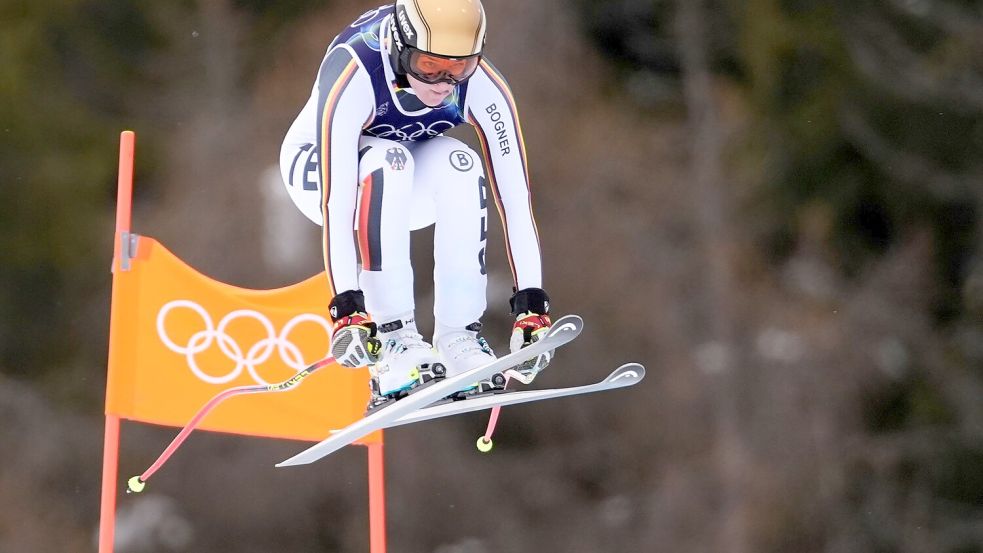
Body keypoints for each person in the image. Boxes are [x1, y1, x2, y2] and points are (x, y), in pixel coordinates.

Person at [280, 0, 552, 411]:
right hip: (318, 171)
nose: (445, 82)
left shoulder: (483, 85)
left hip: (402, 190)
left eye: (460, 67)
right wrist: (348, 310)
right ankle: (394, 340)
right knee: (391, 160)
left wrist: (532, 306)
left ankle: (458, 336)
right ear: (400, 48)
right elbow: (337, 206)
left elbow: (516, 200)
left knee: (461, 163)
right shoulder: (356, 67)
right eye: (429, 65)